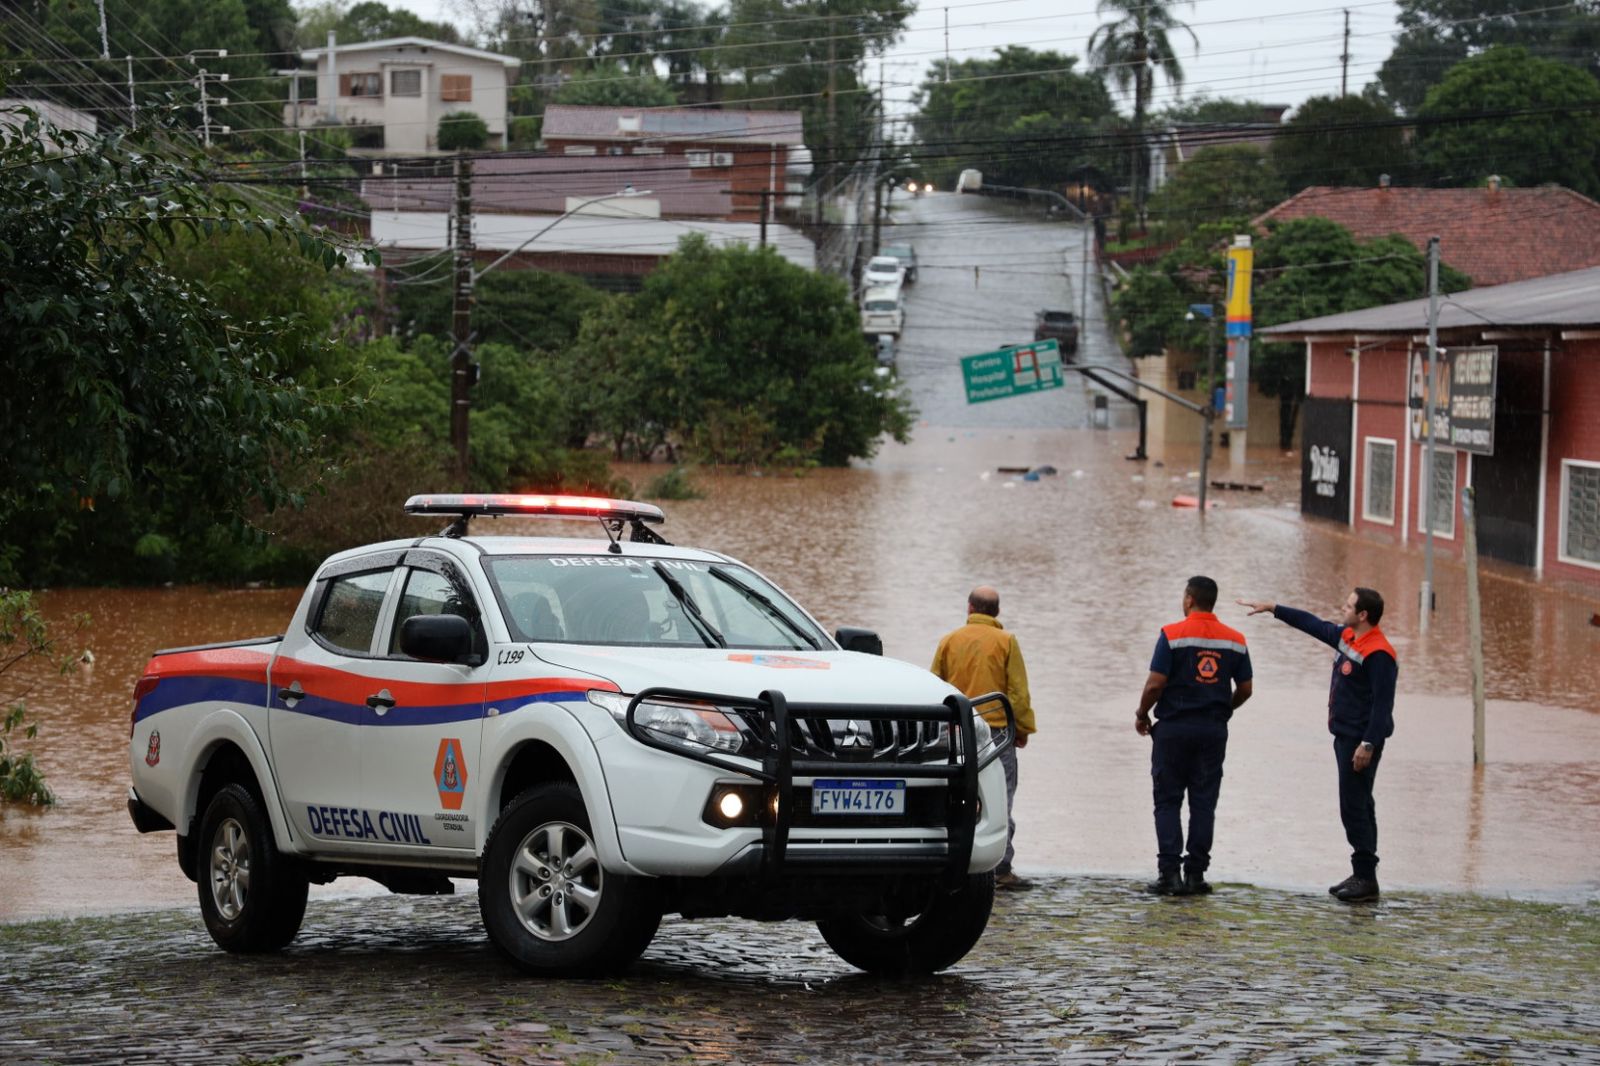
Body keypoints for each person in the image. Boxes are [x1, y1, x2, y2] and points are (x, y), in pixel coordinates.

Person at [1237, 588, 1397, 903]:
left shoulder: (1379, 653)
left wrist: (1368, 744)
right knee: (1358, 803)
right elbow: (1313, 624)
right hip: (1344, 735)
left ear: (1363, 615)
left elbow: (1382, 707)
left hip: (1358, 740)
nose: (1343, 607)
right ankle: (1363, 873)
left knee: (1355, 805)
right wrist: (1273, 608)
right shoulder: (1348, 637)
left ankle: (1365, 877)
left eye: (1349, 604)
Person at [1135, 576, 1254, 896]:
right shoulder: (1236, 639)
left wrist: (1142, 713)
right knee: (1204, 802)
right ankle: (1196, 875)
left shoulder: (1172, 634)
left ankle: (1169, 874)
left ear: (1189, 599)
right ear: (1212, 601)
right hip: (1212, 731)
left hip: (1173, 729)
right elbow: (1246, 689)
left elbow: (1155, 684)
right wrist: (1224, 708)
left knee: (1167, 800)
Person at [931, 586, 1037, 889]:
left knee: (954, 794)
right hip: (997, 733)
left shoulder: (949, 641)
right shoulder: (1006, 642)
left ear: (969, 608)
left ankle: (953, 859)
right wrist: (1023, 729)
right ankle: (1000, 868)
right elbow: (1017, 691)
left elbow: (934, 685)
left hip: (957, 732)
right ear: (997, 612)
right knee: (1000, 798)